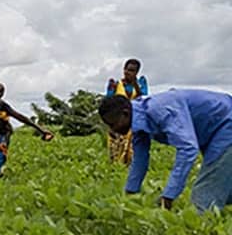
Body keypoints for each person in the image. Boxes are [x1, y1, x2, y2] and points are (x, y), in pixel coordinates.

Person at [99, 90, 232, 212]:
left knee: (204, 196)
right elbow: (140, 160)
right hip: (212, 132)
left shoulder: (160, 110)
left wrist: (168, 196)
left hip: (226, 123)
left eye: (113, 124)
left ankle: (200, 226)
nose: (113, 130)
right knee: (224, 188)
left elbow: (188, 148)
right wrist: (130, 195)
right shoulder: (138, 122)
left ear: (125, 113)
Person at [104, 58, 149, 165]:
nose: (127, 72)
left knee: (131, 152)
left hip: (134, 122)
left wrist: (135, 84)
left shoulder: (140, 84)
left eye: (131, 70)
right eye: (126, 69)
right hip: (118, 122)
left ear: (136, 72)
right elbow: (108, 103)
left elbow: (143, 98)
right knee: (115, 150)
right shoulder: (116, 84)